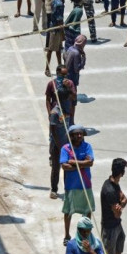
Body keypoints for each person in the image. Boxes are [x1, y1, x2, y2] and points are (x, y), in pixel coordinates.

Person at [60, 124, 95, 245]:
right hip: (71, 185)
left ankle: (86, 235)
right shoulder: (65, 148)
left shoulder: (87, 146)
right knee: (68, 212)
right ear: (71, 136)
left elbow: (90, 162)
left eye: (81, 133)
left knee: (87, 211)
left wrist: (73, 162)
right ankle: (66, 235)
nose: (79, 136)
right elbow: (64, 166)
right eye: (76, 134)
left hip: (85, 184)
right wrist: (82, 163)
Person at [47, 65, 76, 198]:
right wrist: (60, 146)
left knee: (67, 167)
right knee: (56, 168)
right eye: (67, 100)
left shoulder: (68, 110)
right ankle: (54, 189)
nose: (69, 102)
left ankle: (68, 189)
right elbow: (53, 131)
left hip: (66, 143)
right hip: (57, 144)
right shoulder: (55, 113)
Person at [45, 0, 67, 77]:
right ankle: (47, 69)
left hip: (53, 26)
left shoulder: (55, 0)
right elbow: (59, 20)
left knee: (58, 50)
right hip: (56, 30)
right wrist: (63, 32)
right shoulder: (60, 4)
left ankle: (60, 68)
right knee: (50, 50)